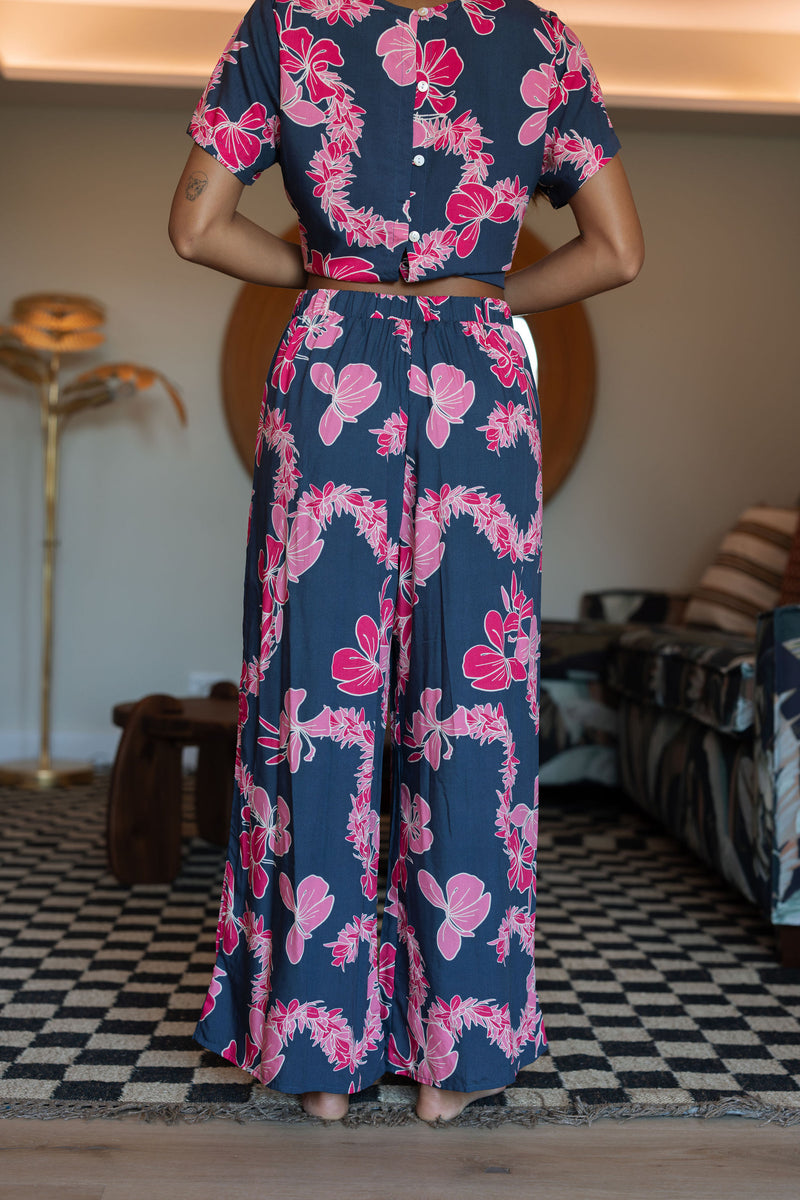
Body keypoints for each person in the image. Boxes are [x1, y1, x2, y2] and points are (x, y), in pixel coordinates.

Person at [169, 0, 643, 1123]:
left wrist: (320, 274)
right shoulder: (534, 36)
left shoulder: (287, 25)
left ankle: (317, 1056)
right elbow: (616, 251)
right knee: (467, 702)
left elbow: (195, 228)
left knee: (317, 700)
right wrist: (482, 295)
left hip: (336, 361)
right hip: (478, 379)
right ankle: (453, 1059)